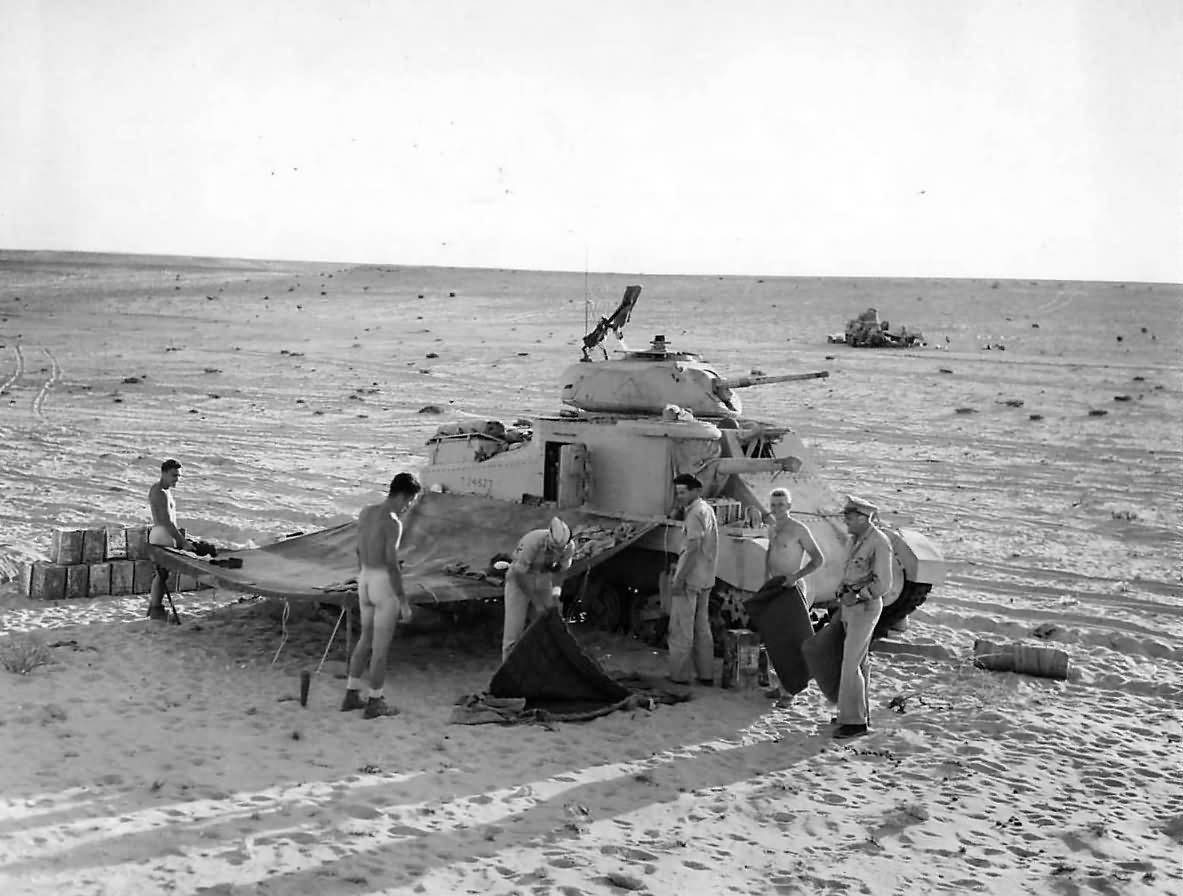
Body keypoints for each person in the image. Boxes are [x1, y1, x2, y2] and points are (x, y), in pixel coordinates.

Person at [341, 472, 423, 719]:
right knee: (380, 648)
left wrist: (361, 575)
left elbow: (358, 549)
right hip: (381, 582)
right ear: (403, 496)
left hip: (364, 577)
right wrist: (403, 600)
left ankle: (351, 693)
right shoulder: (392, 522)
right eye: (410, 501)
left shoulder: (366, 512)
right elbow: (391, 563)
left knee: (364, 639)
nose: (409, 507)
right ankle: (375, 701)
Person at [832, 495, 894, 740]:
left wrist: (857, 596)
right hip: (851, 605)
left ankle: (854, 722)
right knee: (858, 662)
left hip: (865, 607)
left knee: (850, 663)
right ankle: (857, 713)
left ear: (861, 517)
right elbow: (849, 571)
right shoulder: (856, 540)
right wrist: (841, 592)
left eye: (848, 516)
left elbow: (883, 583)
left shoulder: (879, 543)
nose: (845, 520)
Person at [762, 487, 825, 704]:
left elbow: (818, 559)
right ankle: (780, 685)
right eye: (773, 505)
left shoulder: (799, 529)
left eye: (781, 504)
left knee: (791, 640)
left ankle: (790, 691)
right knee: (773, 639)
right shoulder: (772, 527)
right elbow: (769, 554)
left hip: (792, 588)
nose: (777, 508)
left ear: (789, 506)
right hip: (774, 587)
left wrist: (796, 576)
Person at [667, 473, 719, 685]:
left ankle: (679, 676)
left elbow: (693, 548)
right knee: (702, 628)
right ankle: (706, 674)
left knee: (681, 629)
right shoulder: (706, 510)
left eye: (683, 492)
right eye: (678, 492)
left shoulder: (695, 513)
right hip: (706, 577)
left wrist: (679, 579)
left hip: (690, 579)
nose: (680, 496)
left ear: (695, 491)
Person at [502, 517, 575, 660]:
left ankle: (537, 664)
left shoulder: (569, 547)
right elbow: (520, 575)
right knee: (514, 630)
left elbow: (561, 570)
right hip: (519, 579)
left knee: (544, 624)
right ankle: (508, 668)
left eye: (561, 548)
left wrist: (555, 595)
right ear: (549, 537)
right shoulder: (532, 541)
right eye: (555, 548)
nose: (558, 551)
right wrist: (537, 603)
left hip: (542, 577)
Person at [147, 459, 190, 621]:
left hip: (164, 534)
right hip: (161, 534)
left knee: (162, 575)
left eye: (178, 476)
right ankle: (156, 608)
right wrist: (181, 541)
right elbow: (166, 520)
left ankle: (155, 606)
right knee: (161, 574)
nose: (176, 479)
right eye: (174, 475)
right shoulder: (159, 492)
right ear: (163, 473)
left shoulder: (165, 491)